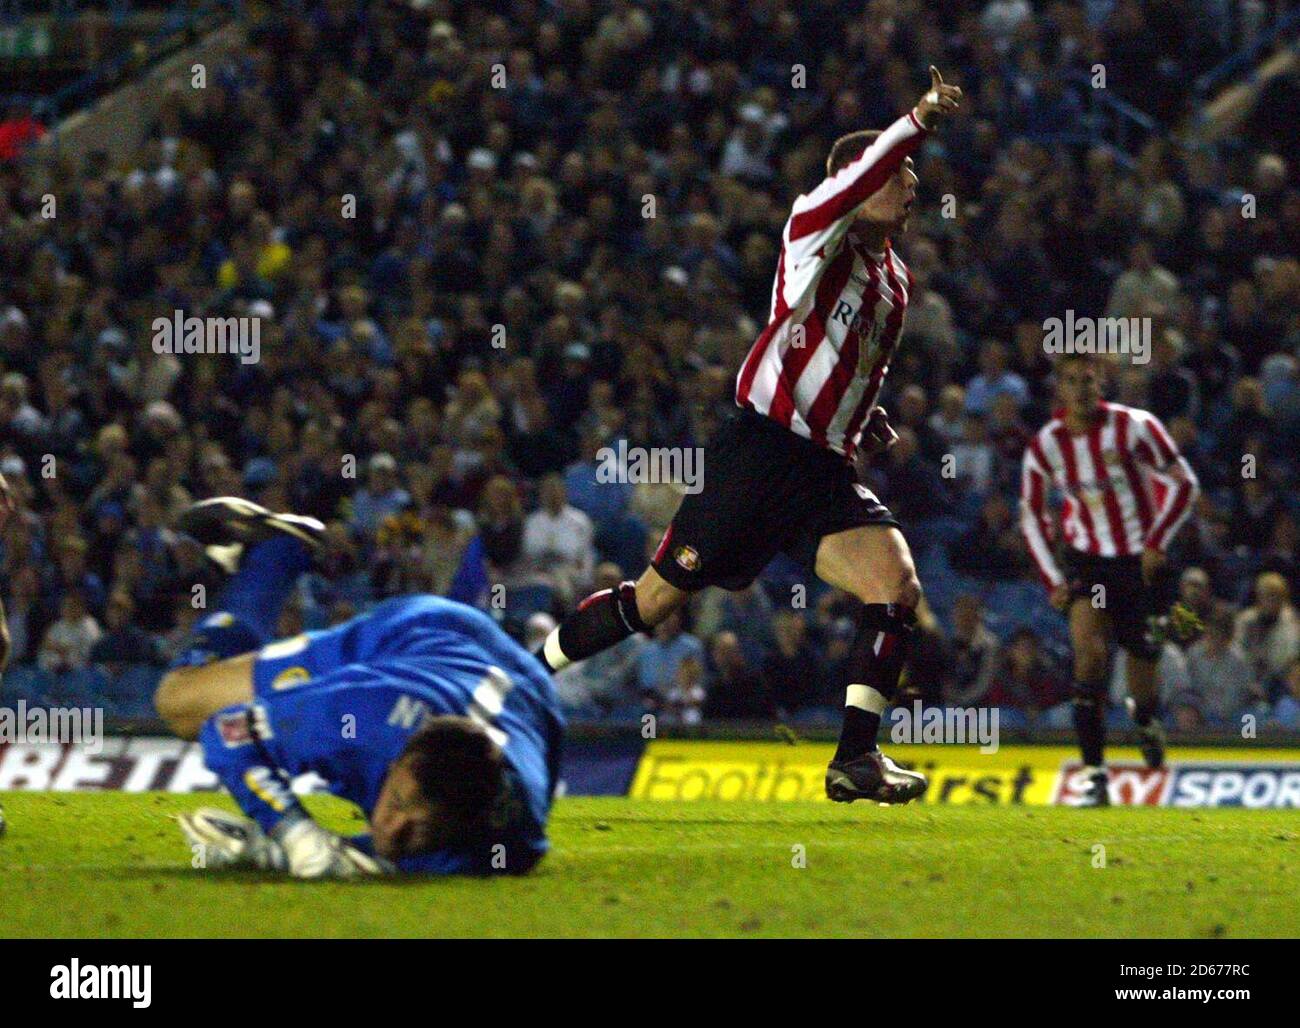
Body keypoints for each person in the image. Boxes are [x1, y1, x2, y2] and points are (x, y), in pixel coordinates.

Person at [536, 69, 963, 805]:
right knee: (654, 603)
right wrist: (918, 117)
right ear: (853, 182)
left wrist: (863, 419)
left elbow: (851, 366)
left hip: (822, 468)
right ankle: (526, 669)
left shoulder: (895, 279)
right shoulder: (812, 229)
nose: (911, 185)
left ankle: (855, 759)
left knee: (896, 586)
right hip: (759, 452)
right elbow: (852, 187)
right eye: (898, 173)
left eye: (915, 175)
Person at [154, 497, 564, 878]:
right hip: (417, 634)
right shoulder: (352, 718)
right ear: (397, 760)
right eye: (399, 801)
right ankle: (276, 555)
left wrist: (269, 850)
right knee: (178, 702)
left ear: (465, 822)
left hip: (528, 692)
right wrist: (291, 831)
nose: (392, 829)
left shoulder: (507, 838)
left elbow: (372, 857)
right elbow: (227, 732)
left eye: (421, 828)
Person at [1020, 351, 1200, 805]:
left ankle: (1145, 720)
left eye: (1089, 379)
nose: (1083, 388)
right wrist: (1052, 578)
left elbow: (1185, 483)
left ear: (1101, 383)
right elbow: (1031, 512)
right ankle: (1096, 776)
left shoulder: (1135, 427)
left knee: (1142, 666)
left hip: (1140, 562)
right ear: (1060, 390)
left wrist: (1158, 541)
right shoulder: (1047, 445)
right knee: (1090, 658)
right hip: (1088, 563)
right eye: (1073, 381)